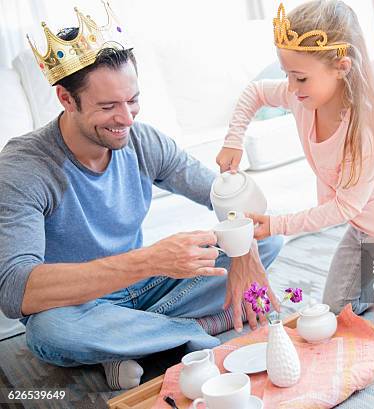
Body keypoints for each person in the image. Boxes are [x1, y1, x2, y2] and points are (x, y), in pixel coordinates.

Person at [0, 6, 282, 391]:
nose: (127, 118)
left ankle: (129, 345)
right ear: (66, 99)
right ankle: (199, 329)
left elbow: (226, 197)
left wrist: (244, 250)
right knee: (48, 333)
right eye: (108, 106)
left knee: (269, 237)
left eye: (132, 99)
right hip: (80, 306)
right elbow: (16, 291)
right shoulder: (23, 168)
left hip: (147, 286)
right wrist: (150, 259)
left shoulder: (142, 140)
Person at [216, 1, 374, 316]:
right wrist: (233, 140)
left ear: (342, 67)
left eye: (300, 78)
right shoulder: (301, 99)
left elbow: (344, 207)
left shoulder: (363, 131)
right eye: (287, 75)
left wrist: (278, 224)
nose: (291, 88)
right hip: (363, 228)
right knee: (334, 312)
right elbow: (255, 92)